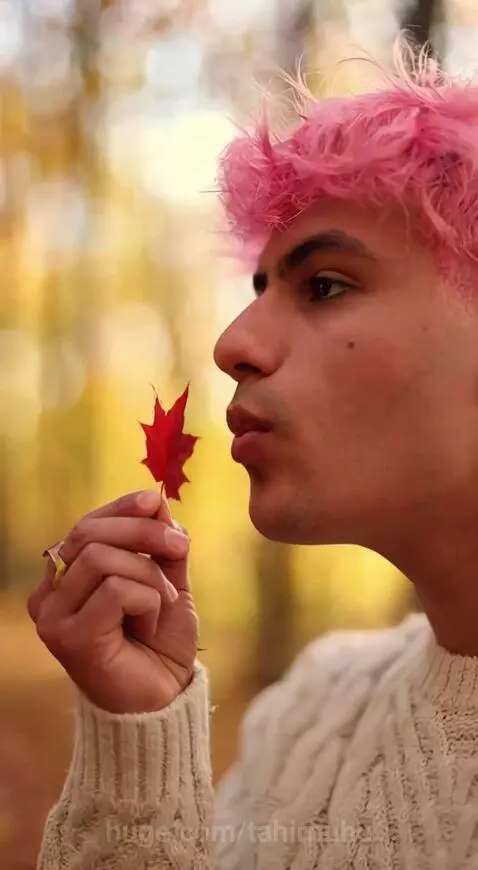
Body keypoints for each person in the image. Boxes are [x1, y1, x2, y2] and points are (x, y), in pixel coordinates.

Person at [27, 38, 478, 869]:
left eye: (326, 286)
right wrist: (138, 744)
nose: (233, 343)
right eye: (259, 289)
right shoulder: (309, 712)